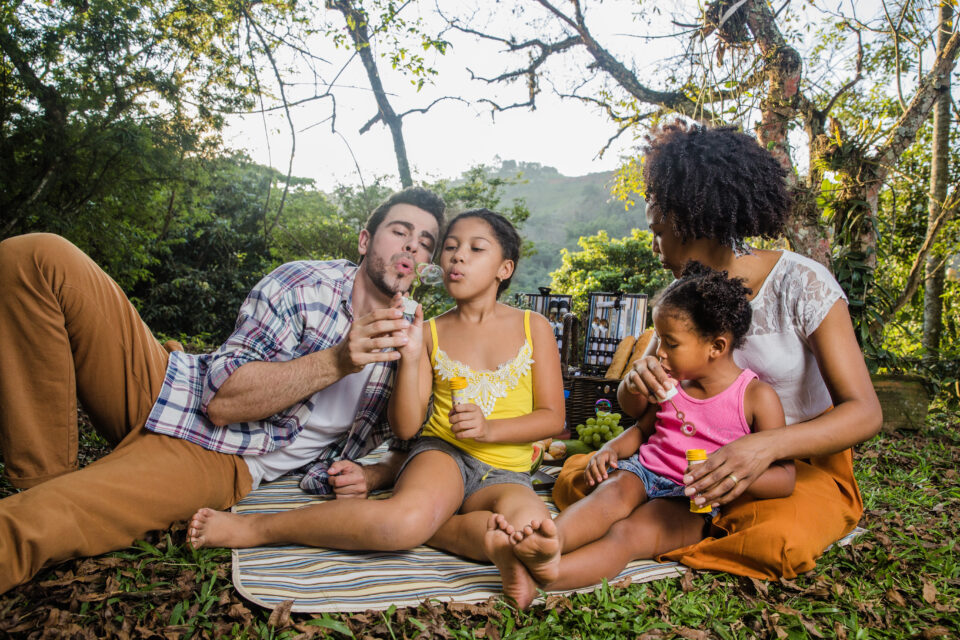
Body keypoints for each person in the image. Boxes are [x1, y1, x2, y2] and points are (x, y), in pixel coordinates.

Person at [0, 186, 445, 595]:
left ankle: (46, 503)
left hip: (222, 458)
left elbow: (413, 442)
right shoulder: (304, 284)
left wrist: (372, 475)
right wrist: (337, 359)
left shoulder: (415, 340)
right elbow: (222, 401)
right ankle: (43, 478)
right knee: (38, 257)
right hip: (172, 383)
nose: (411, 245)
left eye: (425, 242)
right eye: (400, 231)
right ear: (366, 241)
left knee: (33, 525)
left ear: (425, 266)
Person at [550, 121, 882, 581]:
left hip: (788, 464)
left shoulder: (802, 284)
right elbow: (638, 407)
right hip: (686, 458)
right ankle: (663, 519)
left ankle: (674, 521)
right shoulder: (681, 298)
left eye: (659, 232)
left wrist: (761, 448)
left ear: (692, 223)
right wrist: (634, 383)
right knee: (584, 481)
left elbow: (864, 412)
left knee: (777, 538)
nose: (654, 247)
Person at [186, 209, 565, 608]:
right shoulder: (429, 330)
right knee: (402, 523)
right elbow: (405, 427)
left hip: (508, 472)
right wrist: (413, 355)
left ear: (504, 268)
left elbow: (552, 418)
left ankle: (493, 546)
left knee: (532, 528)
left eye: (475, 248)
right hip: (444, 457)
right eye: (450, 247)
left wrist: (489, 430)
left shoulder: (532, 326)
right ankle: (257, 529)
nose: (457, 257)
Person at [501, 262, 795, 595]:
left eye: (671, 344)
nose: (660, 355)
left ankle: (547, 577)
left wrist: (729, 474)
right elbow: (643, 429)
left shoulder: (756, 397)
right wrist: (610, 449)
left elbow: (784, 478)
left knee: (629, 535)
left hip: (690, 500)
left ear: (716, 346)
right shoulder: (670, 382)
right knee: (605, 499)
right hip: (642, 472)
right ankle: (547, 543)